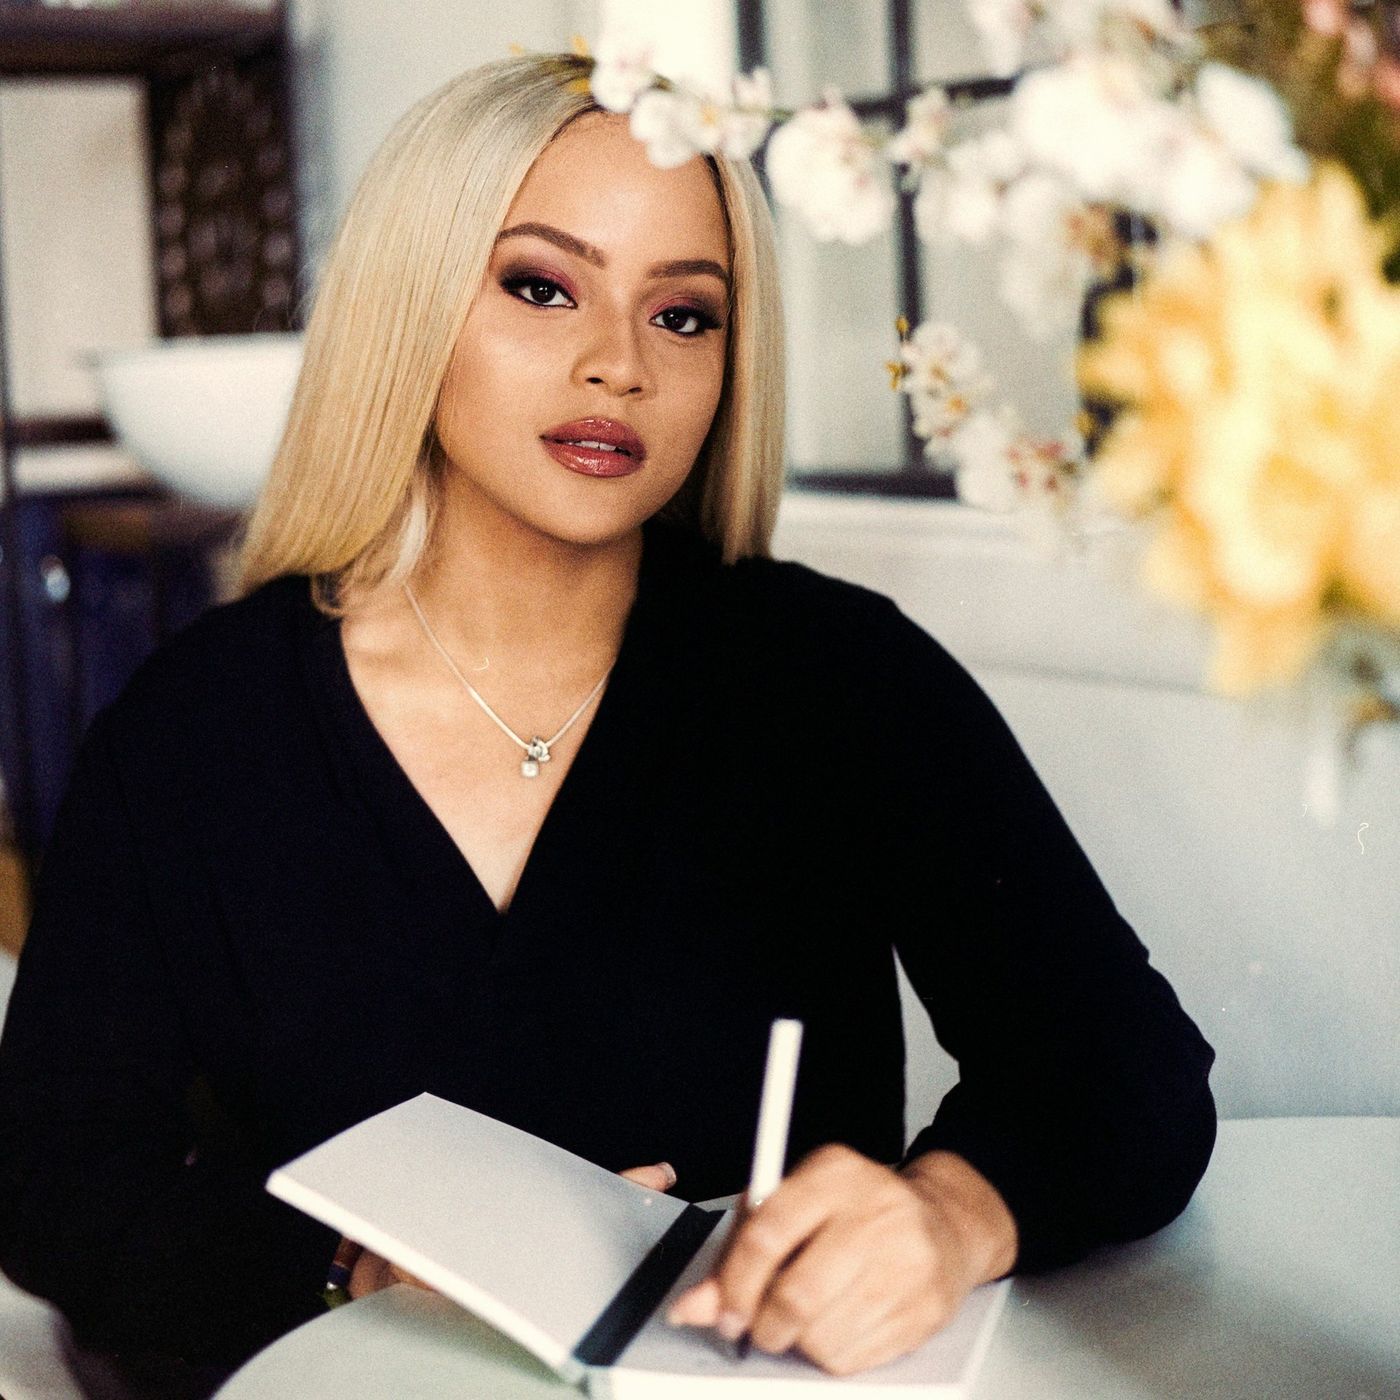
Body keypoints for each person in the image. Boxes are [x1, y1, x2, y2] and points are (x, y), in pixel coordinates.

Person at [0, 50, 1216, 1394]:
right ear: (411, 309)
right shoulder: (192, 732)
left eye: (684, 315)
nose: (618, 366)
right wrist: (350, 1268)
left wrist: (948, 1214)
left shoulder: (839, 678)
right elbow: (52, 1176)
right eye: (541, 286)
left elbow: (1129, 1068)